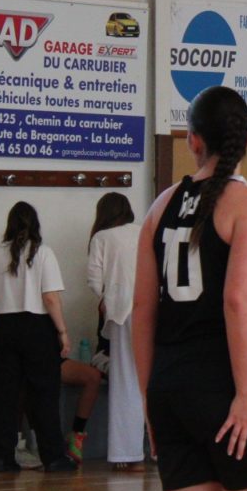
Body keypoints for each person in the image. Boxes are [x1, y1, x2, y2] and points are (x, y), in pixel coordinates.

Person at [129, 85, 247, 491]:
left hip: (169, 387)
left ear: (192, 140)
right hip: (226, 387)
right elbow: (238, 300)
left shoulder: (160, 207)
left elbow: (142, 310)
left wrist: (150, 401)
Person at [0, 201, 76, 474]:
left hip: (5, 327)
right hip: (37, 328)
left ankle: (3, 457)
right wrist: (63, 332)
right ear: (36, 224)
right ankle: (53, 457)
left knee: (5, 397)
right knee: (44, 395)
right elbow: (50, 298)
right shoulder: (43, 253)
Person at [87, 190, 147, 471]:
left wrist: (105, 299)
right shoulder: (144, 231)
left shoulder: (101, 238)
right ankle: (161, 450)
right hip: (154, 309)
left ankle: (128, 455)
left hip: (123, 312)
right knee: (153, 381)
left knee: (126, 382)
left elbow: (94, 281)